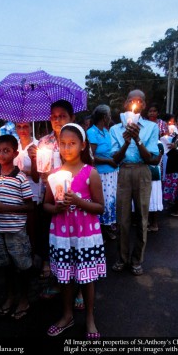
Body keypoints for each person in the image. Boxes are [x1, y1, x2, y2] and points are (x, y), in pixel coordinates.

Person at [44, 123, 106, 339]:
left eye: (72, 143)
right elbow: (46, 205)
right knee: (65, 278)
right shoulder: (54, 175)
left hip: (85, 235)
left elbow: (100, 207)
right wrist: (57, 207)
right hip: (62, 234)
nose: (67, 148)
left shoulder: (91, 173)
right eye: (63, 144)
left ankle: (90, 318)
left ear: (82, 145)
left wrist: (79, 202)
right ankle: (67, 314)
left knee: (87, 278)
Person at [110, 89, 159, 276]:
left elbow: (150, 158)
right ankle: (122, 258)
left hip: (142, 171)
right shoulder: (115, 129)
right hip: (124, 171)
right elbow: (115, 159)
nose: (135, 104)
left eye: (140, 101)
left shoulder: (151, 128)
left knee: (141, 218)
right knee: (122, 218)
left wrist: (137, 139)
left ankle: (137, 259)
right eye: (132, 100)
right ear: (126, 104)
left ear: (144, 106)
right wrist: (125, 142)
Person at [28, 100, 75, 298]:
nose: (57, 120)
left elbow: (86, 170)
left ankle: (78, 287)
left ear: (72, 118)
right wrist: (33, 160)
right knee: (54, 242)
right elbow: (37, 177)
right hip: (48, 201)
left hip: (71, 201)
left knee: (73, 244)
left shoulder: (77, 141)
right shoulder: (44, 142)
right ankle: (58, 281)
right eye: (54, 116)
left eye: (62, 116)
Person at [0, 135, 34, 319]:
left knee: (22, 266)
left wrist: (5, 208)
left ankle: (24, 298)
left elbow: (30, 206)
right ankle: (10, 296)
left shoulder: (21, 178)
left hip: (16, 231)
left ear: (15, 153)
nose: (1, 154)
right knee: (5, 266)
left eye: (6, 150)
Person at [87, 104, 118, 241]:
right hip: (101, 174)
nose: (110, 117)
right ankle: (100, 230)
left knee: (111, 201)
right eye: (109, 115)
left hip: (112, 172)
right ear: (104, 117)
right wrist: (108, 161)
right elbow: (91, 156)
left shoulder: (106, 131)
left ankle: (107, 226)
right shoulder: (92, 132)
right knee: (102, 201)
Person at [14, 122, 40, 258]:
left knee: (32, 227)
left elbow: (39, 174)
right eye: (19, 127)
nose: (22, 130)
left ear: (31, 127)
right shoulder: (14, 146)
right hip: (15, 193)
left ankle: (34, 255)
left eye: (25, 126)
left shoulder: (38, 145)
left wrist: (27, 168)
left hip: (32, 192)